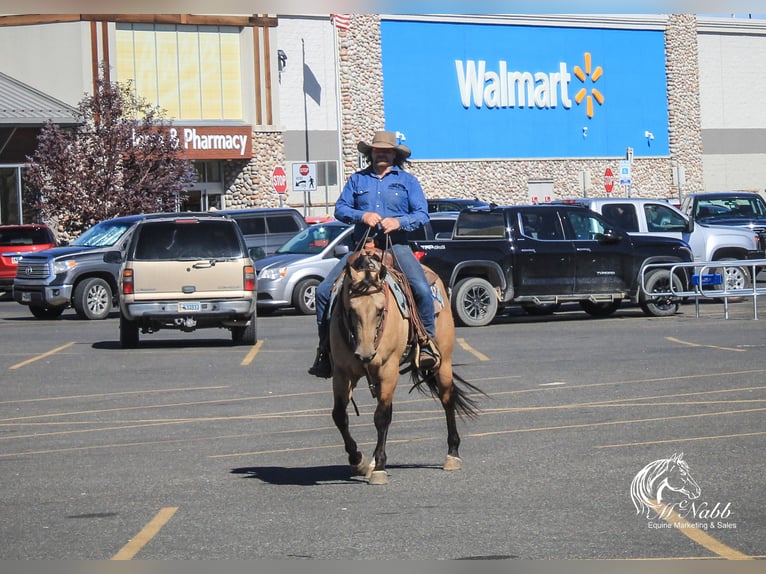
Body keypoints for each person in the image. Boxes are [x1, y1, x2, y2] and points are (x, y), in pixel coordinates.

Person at [308, 130, 440, 378]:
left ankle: (426, 344)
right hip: (362, 246)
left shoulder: (408, 182)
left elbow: (422, 214)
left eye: (387, 151)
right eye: (377, 150)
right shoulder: (357, 180)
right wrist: (362, 216)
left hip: (395, 246)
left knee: (421, 289)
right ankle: (325, 350)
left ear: (394, 155)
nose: (382, 154)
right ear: (370, 154)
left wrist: (400, 222)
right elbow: (340, 209)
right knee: (324, 291)